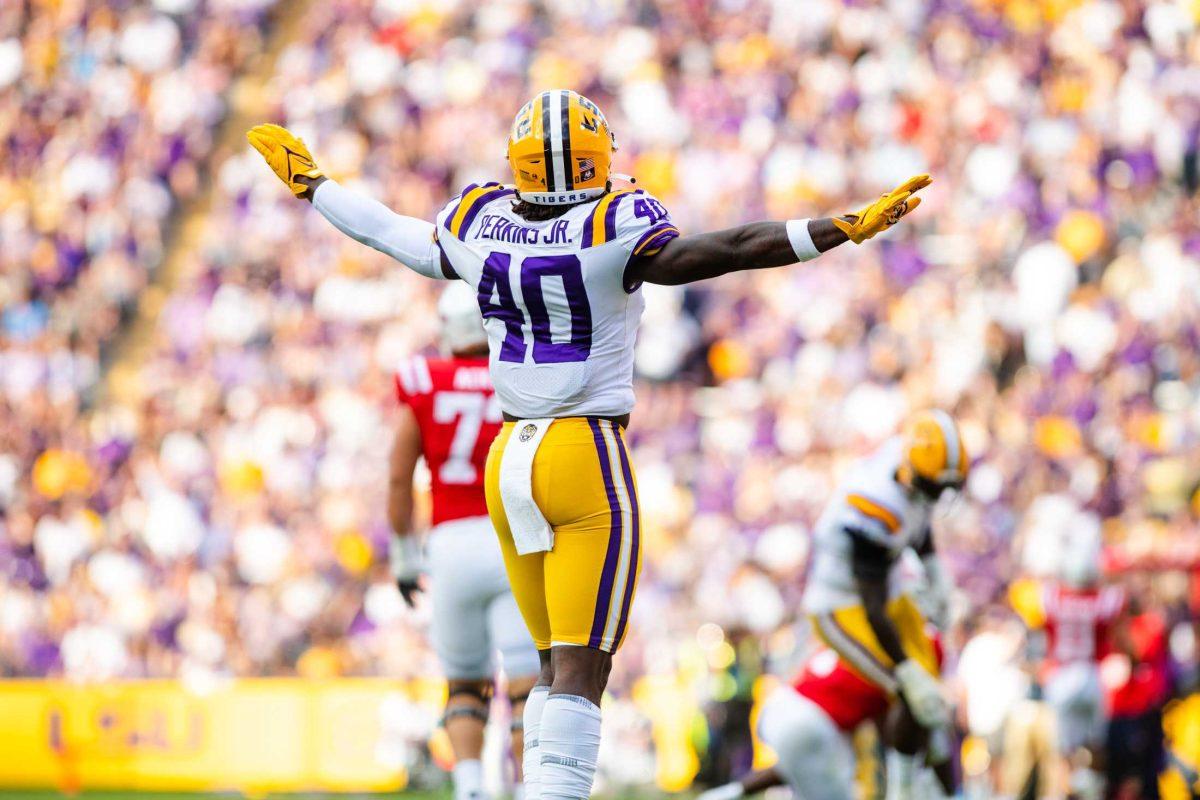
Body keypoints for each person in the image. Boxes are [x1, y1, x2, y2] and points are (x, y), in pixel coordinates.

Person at [246, 90, 930, 800]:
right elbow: (722, 250)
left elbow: (388, 231)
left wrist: (316, 186)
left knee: (548, 664)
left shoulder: (482, 221)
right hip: (583, 452)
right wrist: (835, 229)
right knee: (581, 667)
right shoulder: (615, 224)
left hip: (507, 459)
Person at [387, 283, 540, 800]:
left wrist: (405, 555)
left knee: (465, 684)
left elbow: (398, 477)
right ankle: (527, 790)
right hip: (514, 538)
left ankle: (471, 787)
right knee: (525, 687)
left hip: (451, 543)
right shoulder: (521, 375)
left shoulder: (423, 379)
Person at [801, 410, 967, 800]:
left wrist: (936, 574)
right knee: (916, 694)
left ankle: (948, 792)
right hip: (843, 605)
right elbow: (870, 601)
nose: (938, 498)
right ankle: (903, 791)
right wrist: (905, 669)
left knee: (933, 704)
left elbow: (920, 524)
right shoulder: (874, 502)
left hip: (887, 594)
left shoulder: (910, 466)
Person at [698, 554, 953, 800]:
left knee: (805, 768)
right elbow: (915, 714)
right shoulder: (925, 643)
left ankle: (726, 794)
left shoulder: (862, 625)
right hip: (814, 722)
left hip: (781, 705)